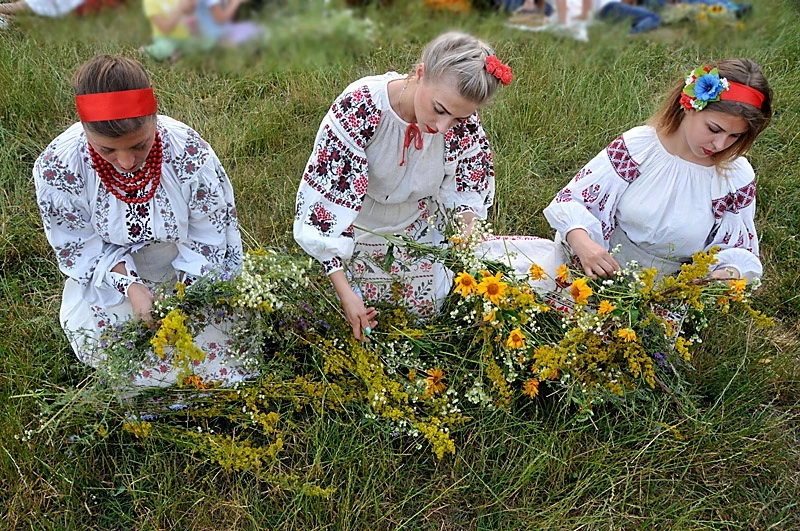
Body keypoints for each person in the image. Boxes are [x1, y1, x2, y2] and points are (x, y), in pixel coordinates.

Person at [34, 55, 251, 388]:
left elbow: (210, 233)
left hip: (184, 266)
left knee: (219, 352)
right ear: (86, 130)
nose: (125, 162)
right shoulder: (59, 167)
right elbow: (79, 245)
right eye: (107, 150)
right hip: (113, 277)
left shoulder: (188, 153)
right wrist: (132, 288)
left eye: (139, 145)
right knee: (126, 352)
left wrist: (184, 295)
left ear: (154, 117)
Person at [293, 31, 512, 340]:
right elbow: (327, 202)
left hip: (415, 224)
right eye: (439, 110)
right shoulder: (362, 107)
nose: (442, 128)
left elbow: (467, 188)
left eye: (458, 118)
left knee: (426, 313)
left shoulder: (462, 124)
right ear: (420, 73)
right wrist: (345, 292)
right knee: (348, 317)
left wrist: (466, 235)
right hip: (357, 222)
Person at [542, 58, 772, 282]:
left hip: (666, 291)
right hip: (595, 269)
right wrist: (583, 244)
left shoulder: (735, 177)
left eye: (735, 136)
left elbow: (739, 248)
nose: (720, 145)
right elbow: (572, 200)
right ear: (689, 105)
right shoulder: (639, 148)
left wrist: (728, 272)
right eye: (713, 129)